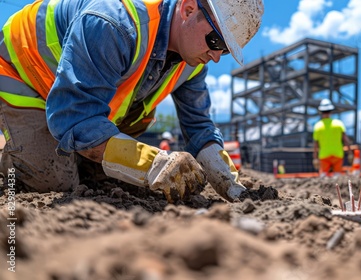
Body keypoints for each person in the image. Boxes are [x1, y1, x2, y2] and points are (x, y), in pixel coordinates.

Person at [0, 0, 264, 202]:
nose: (216, 56)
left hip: (81, 100)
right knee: (53, 181)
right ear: (188, 9)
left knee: (113, 179)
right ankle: (12, 155)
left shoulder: (194, 62)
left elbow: (199, 126)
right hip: (23, 74)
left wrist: (227, 178)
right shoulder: (115, 23)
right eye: (215, 40)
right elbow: (75, 115)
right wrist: (152, 163)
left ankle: (78, 157)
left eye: (225, 50)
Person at [312, 99, 351, 177]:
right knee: (337, 177)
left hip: (324, 155)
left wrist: (315, 158)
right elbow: (346, 140)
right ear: (331, 111)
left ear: (321, 111)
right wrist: (350, 153)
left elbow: (316, 144)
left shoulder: (317, 126)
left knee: (323, 177)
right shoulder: (339, 124)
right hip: (338, 154)